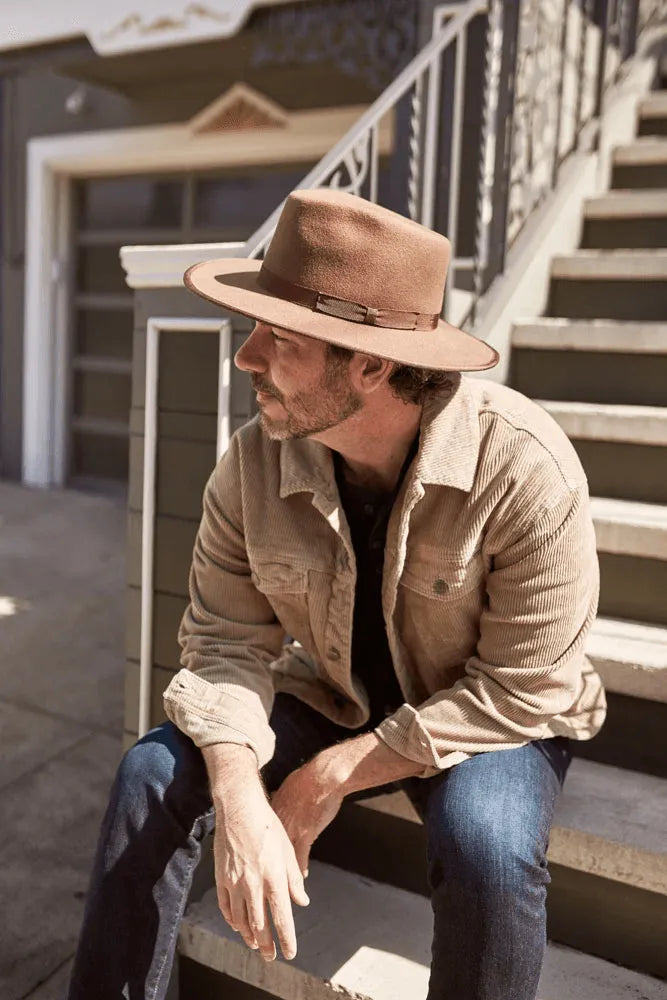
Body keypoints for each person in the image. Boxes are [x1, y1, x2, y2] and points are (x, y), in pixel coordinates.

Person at [68, 189, 606, 1000]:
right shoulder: (250, 464)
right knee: (152, 771)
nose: (244, 357)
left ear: (371, 364)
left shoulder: (525, 467)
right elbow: (223, 645)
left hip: (485, 717)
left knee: (485, 843)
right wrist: (242, 795)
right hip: (336, 696)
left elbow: (522, 687)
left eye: (277, 338)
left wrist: (321, 780)